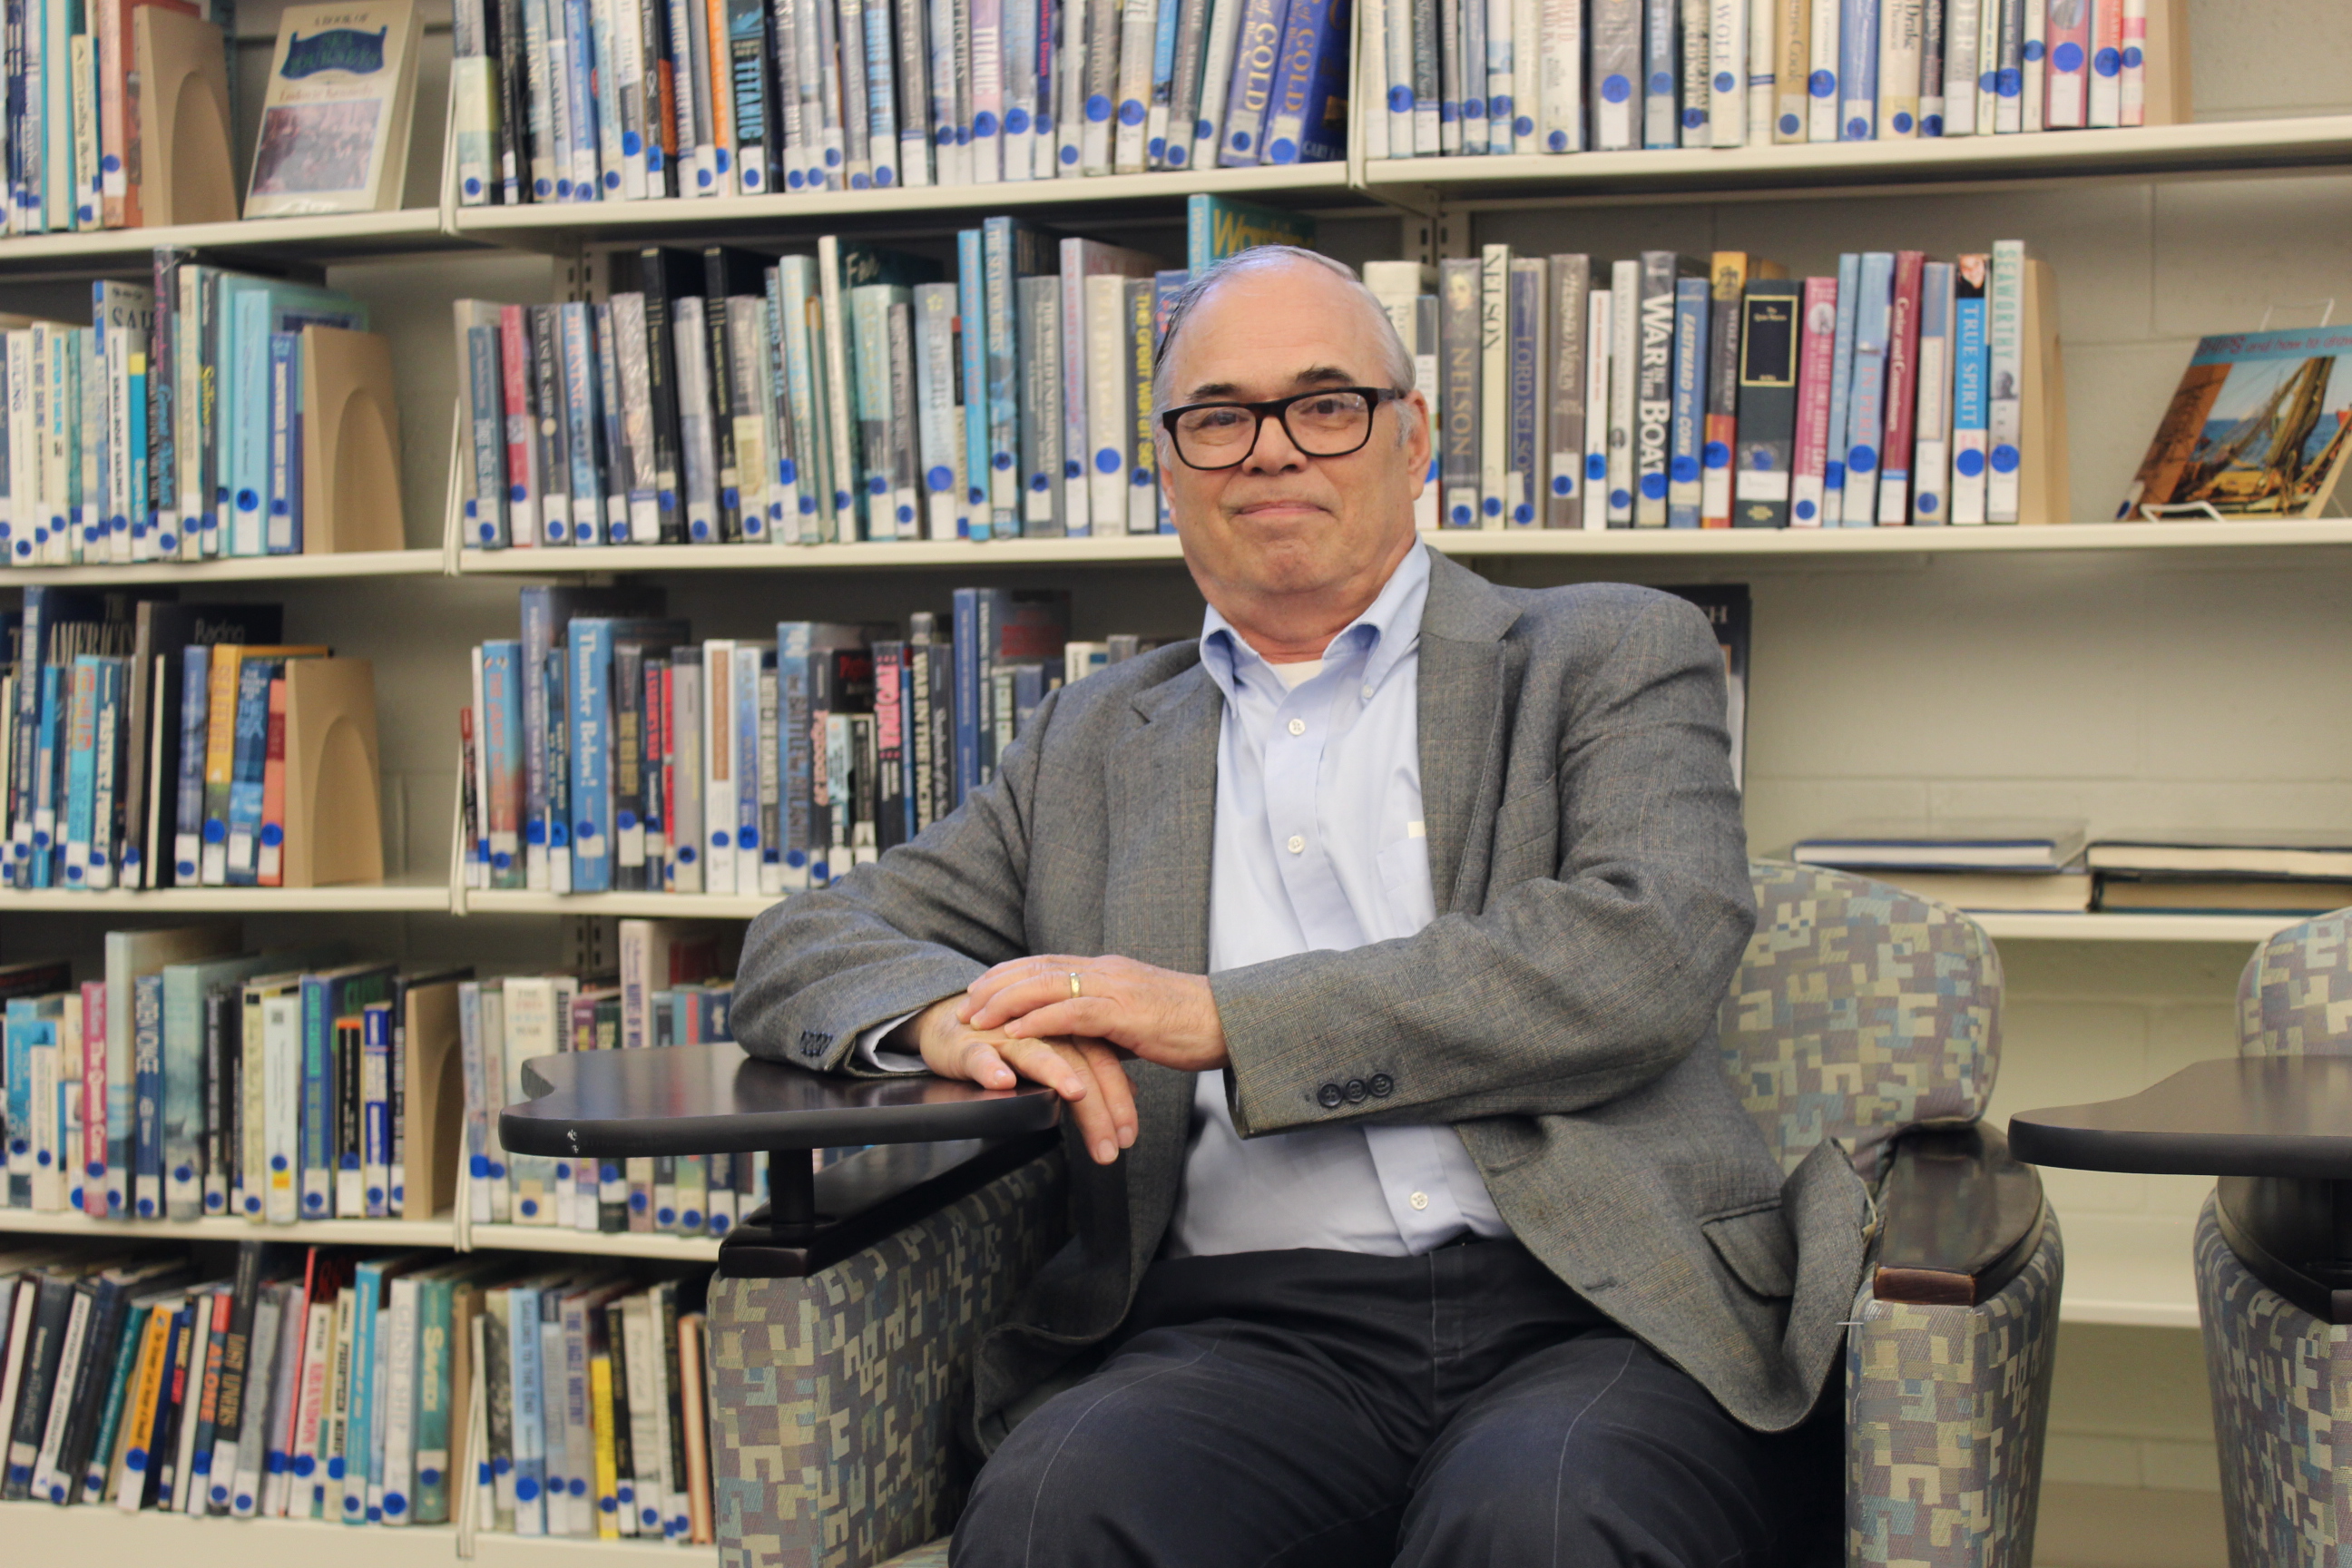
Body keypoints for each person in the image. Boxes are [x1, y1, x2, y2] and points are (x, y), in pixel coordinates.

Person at [730, 245, 1869, 1566]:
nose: (1271, 451)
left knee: (1546, 1525)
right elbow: (801, 942)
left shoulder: (1608, 653)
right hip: (1241, 1334)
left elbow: (1648, 947)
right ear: (1168, 468)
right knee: (1057, 1514)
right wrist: (938, 1015)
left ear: (1412, 437)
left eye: (1325, 404)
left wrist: (1221, 1019)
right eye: (1219, 418)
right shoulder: (1092, 743)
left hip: (1592, 1311)